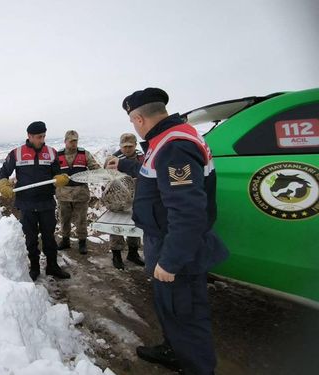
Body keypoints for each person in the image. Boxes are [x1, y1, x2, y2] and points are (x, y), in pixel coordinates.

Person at [112, 87, 229, 375]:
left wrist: (171, 260)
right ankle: (173, 350)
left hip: (176, 247)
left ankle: (197, 367)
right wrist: (125, 164)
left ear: (139, 119)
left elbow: (188, 212)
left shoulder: (174, 146)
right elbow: (155, 173)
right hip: (165, 240)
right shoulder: (167, 138)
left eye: (132, 122)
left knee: (185, 314)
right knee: (170, 309)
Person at [0, 121, 72, 281]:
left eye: (44, 136)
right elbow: (4, 171)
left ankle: (52, 266)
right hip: (26, 204)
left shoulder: (51, 153)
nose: (42, 139)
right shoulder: (17, 153)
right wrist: (3, 183)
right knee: (31, 238)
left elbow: (57, 173)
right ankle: (35, 267)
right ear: (29, 136)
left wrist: (60, 178)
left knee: (49, 237)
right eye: (39, 137)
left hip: (46, 203)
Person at [55, 130, 101, 254]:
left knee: (81, 220)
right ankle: (65, 241)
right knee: (64, 219)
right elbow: (51, 173)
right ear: (65, 141)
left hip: (81, 194)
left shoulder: (84, 154)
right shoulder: (57, 156)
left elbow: (95, 168)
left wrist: (97, 174)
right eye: (71, 141)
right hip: (63, 194)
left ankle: (82, 242)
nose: (73, 143)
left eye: (75, 141)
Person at [104, 133, 145, 269]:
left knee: (135, 224)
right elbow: (105, 177)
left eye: (130, 146)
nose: (127, 149)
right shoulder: (113, 159)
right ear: (120, 146)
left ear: (135, 145)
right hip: (117, 199)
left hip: (137, 197)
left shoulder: (142, 157)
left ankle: (133, 253)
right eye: (124, 146)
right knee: (116, 227)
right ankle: (116, 255)